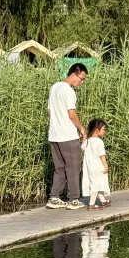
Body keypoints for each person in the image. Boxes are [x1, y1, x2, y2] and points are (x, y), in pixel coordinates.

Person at [46, 62, 88, 208]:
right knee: (73, 167)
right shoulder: (69, 91)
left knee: (60, 167)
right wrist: (82, 128)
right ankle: (73, 199)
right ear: (73, 75)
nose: (82, 82)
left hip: (54, 135)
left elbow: (49, 111)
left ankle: (54, 198)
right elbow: (72, 114)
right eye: (81, 78)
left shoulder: (54, 87)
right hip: (68, 136)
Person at [81, 118, 111, 208]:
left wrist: (84, 138)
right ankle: (91, 204)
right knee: (95, 185)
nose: (104, 131)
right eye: (103, 129)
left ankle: (103, 201)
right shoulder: (99, 142)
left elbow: (82, 147)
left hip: (89, 167)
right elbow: (102, 155)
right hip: (97, 166)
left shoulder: (87, 141)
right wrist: (105, 165)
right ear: (97, 131)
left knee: (97, 184)